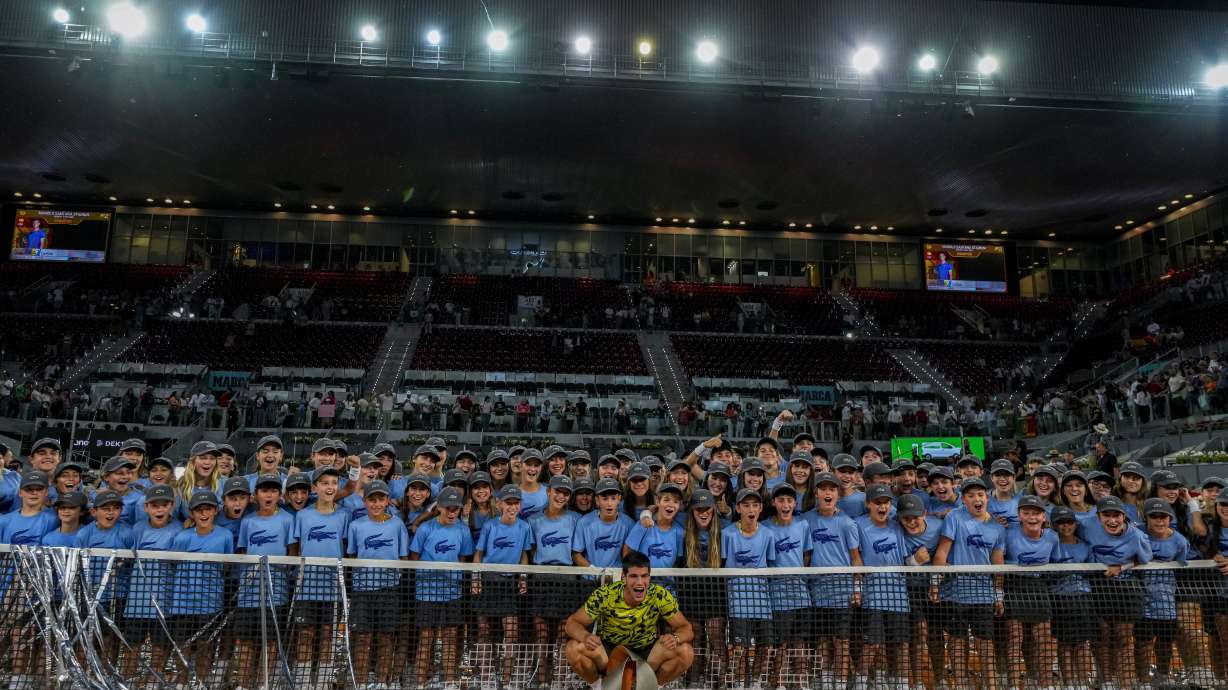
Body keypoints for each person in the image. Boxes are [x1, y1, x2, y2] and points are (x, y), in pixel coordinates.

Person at [563, 550, 695, 686]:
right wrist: (585, 637)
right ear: (623, 577)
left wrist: (675, 638)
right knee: (573, 648)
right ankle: (599, 687)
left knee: (686, 652)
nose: (640, 582)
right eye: (633, 576)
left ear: (649, 577)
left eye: (644, 576)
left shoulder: (659, 595)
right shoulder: (605, 595)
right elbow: (572, 623)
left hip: (646, 654)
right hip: (608, 653)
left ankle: (652, 687)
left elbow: (686, 628)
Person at [930, 478, 1006, 690]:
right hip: (955, 592)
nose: (977, 499)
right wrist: (935, 584)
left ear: (987, 498)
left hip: (983, 594)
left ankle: (991, 685)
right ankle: (961, 684)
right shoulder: (955, 517)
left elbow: (998, 564)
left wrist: (998, 595)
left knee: (985, 642)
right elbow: (942, 552)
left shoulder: (998, 529)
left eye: (980, 495)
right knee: (957, 640)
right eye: (971, 495)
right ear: (963, 499)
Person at [346, 480, 409, 689]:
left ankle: (382, 682)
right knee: (363, 638)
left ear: (387, 501)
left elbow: (403, 558)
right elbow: (352, 556)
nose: (376, 504)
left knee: (386, 637)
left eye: (380, 499)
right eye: (372, 499)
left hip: (390, 590)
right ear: (364, 502)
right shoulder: (355, 526)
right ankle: (362, 684)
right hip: (362, 591)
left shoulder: (398, 525)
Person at [410, 486, 474, 690]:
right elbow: (414, 558)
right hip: (426, 593)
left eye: (456, 508)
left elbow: (463, 559)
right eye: (448, 507)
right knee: (426, 638)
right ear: (439, 507)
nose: (452, 512)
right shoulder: (426, 529)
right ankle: (420, 683)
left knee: (450, 638)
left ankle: (449, 682)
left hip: (452, 593)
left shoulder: (463, 530)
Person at [291, 467, 349, 690]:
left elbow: (345, 547)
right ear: (315, 488)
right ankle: (303, 683)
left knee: (327, 635)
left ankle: (323, 683)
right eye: (324, 482)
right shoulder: (303, 515)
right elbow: (296, 549)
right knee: (305, 635)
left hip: (332, 587)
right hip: (305, 586)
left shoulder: (344, 515)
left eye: (334, 482)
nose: (330, 487)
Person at [168, 489, 234, 687]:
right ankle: (181, 683)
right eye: (199, 510)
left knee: (206, 645)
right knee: (183, 646)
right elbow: (173, 563)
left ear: (216, 511)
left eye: (208, 509)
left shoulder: (226, 536)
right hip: (182, 603)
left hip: (210, 603)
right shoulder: (182, 538)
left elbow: (227, 566)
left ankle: (201, 684)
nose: (204, 514)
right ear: (191, 513)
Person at [119, 485, 183, 684]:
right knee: (132, 646)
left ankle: (153, 682)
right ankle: (128, 682)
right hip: (136, 602)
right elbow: (127, 558)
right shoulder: (138, 529)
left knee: (160, 646)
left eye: (164, 505)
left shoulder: (179, 529)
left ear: (171, 506)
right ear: (146, 507)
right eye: (154, 505)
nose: (159, 509)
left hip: (164, 602)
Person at [472, 485, 533, 689]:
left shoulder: (524, 527)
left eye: (516, 503)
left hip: (510, 583)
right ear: (499, 504)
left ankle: (506, 681)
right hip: (489, 580)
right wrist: (476, 578)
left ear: (520, 506)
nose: (512, 507)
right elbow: (479, 553)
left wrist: (523, 578)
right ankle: (487, 678)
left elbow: (525, 554)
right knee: (484, 630)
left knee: (512, 633)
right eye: (508, 503)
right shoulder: (490, 526)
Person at [722, 488, 775, 687]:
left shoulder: (768, 534)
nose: (750, 509)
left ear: (761, 508)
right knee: (739, 649)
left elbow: (770, 564)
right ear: (738, 508)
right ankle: (737, 683)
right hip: (738, 602)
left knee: (766, 646)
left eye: (754, 505)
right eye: (745, 505)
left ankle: (755, 683)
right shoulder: (727, 534)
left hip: (763, 601)